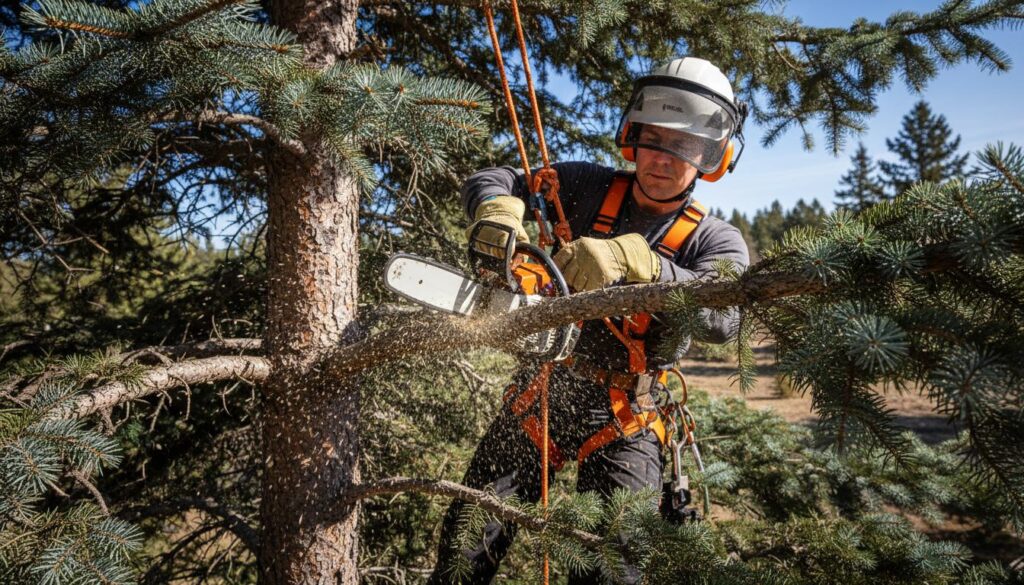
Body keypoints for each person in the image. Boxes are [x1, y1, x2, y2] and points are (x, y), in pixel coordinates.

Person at [428, 57, 751, 584]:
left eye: (684, 146)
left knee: (613, 566)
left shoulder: (714, 239)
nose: (663, 158)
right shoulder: (586, 185)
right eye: (654, 138)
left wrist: (641, 262)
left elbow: (724, 317)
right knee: (466, 538)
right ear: (634, 136)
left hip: (630, 413)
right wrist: (496, 208)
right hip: (548, 389)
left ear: (712, 156)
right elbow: (499, 177)